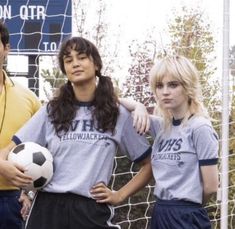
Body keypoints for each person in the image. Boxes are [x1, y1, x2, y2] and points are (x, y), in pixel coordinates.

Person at [0, 36, 152, 229]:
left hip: (91, 209)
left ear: (96, 64)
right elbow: (6, 151)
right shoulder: (51, 111)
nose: (75, 64)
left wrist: (119, 195)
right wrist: (8, 169)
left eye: (81, 57)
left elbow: (149, 164)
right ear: (65, 70)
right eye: (68, 60)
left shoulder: (117, 114)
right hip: (47, 208)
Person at [121, 55, 219, 229]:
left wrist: (188, 205)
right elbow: (116, 103)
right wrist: (139, 106)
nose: (165, 91)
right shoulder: (161, 126)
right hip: (160, 212)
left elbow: (211, 186)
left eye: (173, 85)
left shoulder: (199, 127)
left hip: (187, 215)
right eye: (159, 86)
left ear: (187, 86)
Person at [0, 21, 41, 228]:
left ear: (7, 49)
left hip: (11, 201)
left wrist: (28, 191)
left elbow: (47, 147)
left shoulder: (29, 99)